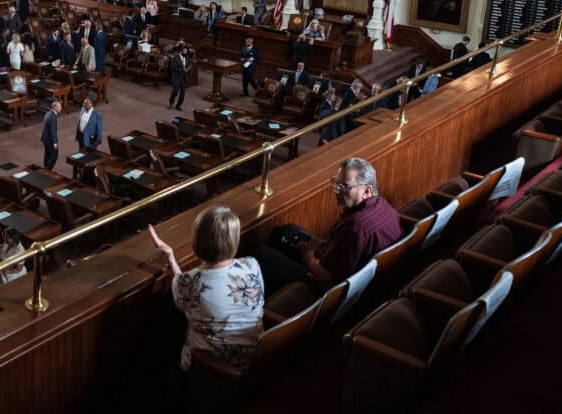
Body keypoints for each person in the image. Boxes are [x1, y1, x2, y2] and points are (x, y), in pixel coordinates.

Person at [254, 158, 401, 292]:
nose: (336, 191)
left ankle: (282, 302)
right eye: (336, 184)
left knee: (262, 254)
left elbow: (326, 276)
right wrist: (320, 244)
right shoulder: (384, 206)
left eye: (344, 187)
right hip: (350, 269)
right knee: (284, 231)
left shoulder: (355, 228)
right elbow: (345, 249)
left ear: (366, 190)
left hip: (327, 288)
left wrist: (309, 258)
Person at [148, 206, 264, 374]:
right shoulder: (251, 265)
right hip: (257, 359)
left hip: (211, 372)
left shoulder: (188, 283)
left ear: (197, 242)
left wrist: (171, 256)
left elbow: (183, 288)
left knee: (165, 314)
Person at [41, 100, 62, 169]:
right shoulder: (52, 117)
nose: (61, 108)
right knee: (54, 155)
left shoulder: (48, 113)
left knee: (47, 154)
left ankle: (45, 168)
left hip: (45, 139)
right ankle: (48, 170)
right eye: (59, 107)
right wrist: (55, 142)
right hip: (50, 140)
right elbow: (52, 130)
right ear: (55, 107)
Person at [168, 44, 188, 111]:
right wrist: (183, 69)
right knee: (175, 92)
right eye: (185, 50)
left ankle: (178, 105)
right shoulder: (175, 58)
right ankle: (171, 103)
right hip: (176, 77)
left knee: (183, 93)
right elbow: (173, 68)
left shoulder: (187, 57)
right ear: (181, 51)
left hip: (183, 78)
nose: (186, 51)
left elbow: (188, 65)